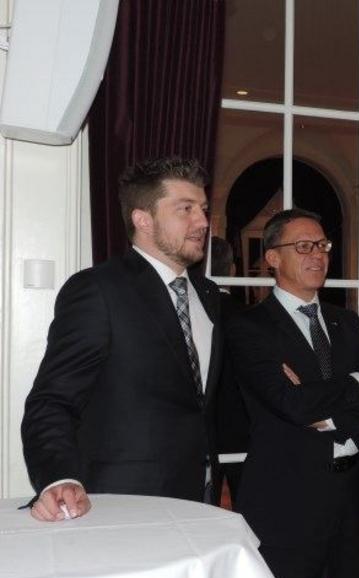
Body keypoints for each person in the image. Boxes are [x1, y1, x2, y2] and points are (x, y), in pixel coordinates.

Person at [21, 157, 222, 522]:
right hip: (123, 506)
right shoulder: (98, 290)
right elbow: (51, 402)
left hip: (202, 500)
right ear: (143, 219)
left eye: (204, 209)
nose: (203, 222)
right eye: (186, 209)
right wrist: (59, 478)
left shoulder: (209, 296)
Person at [226, 208, 359, 578]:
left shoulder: (345, 322)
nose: (318, 254)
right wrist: (353, 383)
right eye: (303, 246)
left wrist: (331, 414)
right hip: (288, 497)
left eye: (322, 245)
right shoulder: (249, 327)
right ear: (272, 257)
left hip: (352, 492)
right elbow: (290, 404)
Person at [209, 236, 249, 505]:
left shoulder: (190, 314)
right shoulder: (248, 317)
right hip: (241, 427)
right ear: (232, 270)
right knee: (247, 508)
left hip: (203, 429)